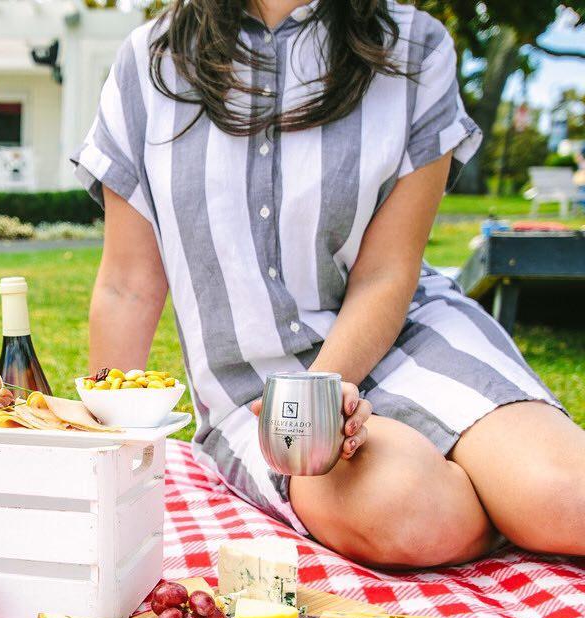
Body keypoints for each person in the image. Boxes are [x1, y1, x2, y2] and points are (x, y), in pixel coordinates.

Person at [79, 0, 585, 567]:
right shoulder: (148, 64)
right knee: (408, 514)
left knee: (565, 500)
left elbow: (387, 272)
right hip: (255, 396)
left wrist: (317, 390)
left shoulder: (415, 47)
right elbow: (128, 285)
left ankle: (514, 498)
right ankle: (500, 502)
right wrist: (103, 459)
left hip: (410, 334)